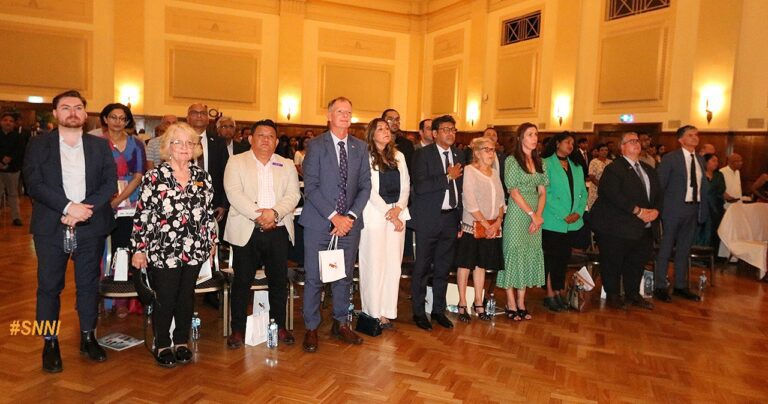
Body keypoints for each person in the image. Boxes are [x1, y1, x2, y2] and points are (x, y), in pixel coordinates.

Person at [24, 90, 117, 373]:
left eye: (78, 107)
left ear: (85, 112)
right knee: (49, 287)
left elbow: (109, 183)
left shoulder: (100, 146)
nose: (72, 112)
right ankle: (49, 342)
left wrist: (83, 209)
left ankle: (88, 336)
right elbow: (34, 183)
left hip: (90, 225)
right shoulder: (39, 145)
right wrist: (67, 207)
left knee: (89, 285)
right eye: (66, 108)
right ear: (55, 113)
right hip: (51, 226)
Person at [130, 122, 217, 368]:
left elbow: (208, 213)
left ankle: (181, 341)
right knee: (165, 297)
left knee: (185, 297)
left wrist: (211, 242)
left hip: (195, 247)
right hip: (163, 248)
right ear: (168, 146)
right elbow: (142, 215)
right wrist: (139, 248)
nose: (184, 147)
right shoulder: (154, 176)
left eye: (190, 142)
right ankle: (162, 342)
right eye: (178, 142)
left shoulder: (202, 177)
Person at [298, 97, 371, 353]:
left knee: (344, 276)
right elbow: (312, 186)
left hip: (349, 225)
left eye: (349, 112)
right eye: (340, 111)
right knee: (315, 277)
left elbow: (365, 186)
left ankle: (341, 323)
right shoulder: (316, 146)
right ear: (329, 116)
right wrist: (334, 217)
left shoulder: (360, 148)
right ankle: (311, 327)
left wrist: (349, 217)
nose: (345, 116)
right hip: (319, 223)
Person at [224, 119, 301, 349]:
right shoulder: (236, 162)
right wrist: (260, 216)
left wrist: (274, 214)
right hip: (247, 229)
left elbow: (293, 195)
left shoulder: (286, 164)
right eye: (261, 135)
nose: (266, 140)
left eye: (270, 136)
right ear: (250, 139)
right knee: (242, 282)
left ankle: (279, 325)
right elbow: (234, 193)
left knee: (278, 281)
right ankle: (237, 329)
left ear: (277, 142)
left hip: (277, 231)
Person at [590, 132, 661, 310]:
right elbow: (612, 194)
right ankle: (613, 294)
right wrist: (638, 211)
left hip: (642, 227)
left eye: (637, 141)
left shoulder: (648, 169)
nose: (636, 143)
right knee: (613, 262)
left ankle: (633, 294)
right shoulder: (614, 168)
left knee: (637, 262)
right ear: (622, 147)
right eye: (631, 141)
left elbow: (658, 194)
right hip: (616, 226)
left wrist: (655, 211)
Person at [410, 115, 463, 330]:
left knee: (443, 268)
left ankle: (438, 310)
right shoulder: (422, 155)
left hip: (450, 218)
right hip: (428, 219)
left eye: (453, 129)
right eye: (445, 129)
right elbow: (420, 187)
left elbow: (461, 190)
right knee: (422, 267)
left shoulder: (459, 154)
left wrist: (459, 220)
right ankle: (419, 312)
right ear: (434, 133)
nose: (450, 133)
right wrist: (447, 176)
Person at [358, 118, 410, 329]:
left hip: (398, 215)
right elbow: (368, 189)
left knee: (393, 266)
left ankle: (387, 311)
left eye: (387, 128)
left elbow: (406, 185)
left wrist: (398, 209)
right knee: (374, 264)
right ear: (371, 134)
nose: (385, 131)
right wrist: (390, 213)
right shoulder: (366, 157)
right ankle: (372, 312)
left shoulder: (399, 156)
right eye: (380, 129)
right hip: (375, 216)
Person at [99, 103, 146, 318]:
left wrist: (118, 200)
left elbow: (138, 176)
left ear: (127, 122)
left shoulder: (136, 144)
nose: (118, 122)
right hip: (100, 200)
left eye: (122, 118)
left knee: (124, 249)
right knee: (99, 250)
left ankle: (122, 301)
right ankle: (99, 298)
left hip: (130, 201)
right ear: (105, 119)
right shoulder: (96, 143)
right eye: (113, 117)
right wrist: (106, 199)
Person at [497, 123, 547, 321]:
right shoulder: (512, 160)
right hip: (519, 213)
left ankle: (521, 302)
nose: (534, 138)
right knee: (514, 254)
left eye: (536, 134)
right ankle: (510, 302)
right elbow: (513, 191)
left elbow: (542, 191)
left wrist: (539, 214)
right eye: (530, 134)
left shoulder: (539, 161)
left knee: (528, 255)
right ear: (520, 138)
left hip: (536, 214)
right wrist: (531, 214)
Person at [653, 125, 709, 303]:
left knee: (684, 250)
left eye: (696, 135)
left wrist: (702, 210)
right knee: (666, 248)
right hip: (672, 210)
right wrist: (658, 210)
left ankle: (680, 285)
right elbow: (659, 185)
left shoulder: (700, 160)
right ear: (680, 139)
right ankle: (660, 285)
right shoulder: (671, 158)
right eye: (690, 135)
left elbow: (702, 187)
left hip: (693, 209)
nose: (695, 138)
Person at [454, 136, 505, 322]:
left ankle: (478, 302)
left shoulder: (494, 173)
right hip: (472, 227)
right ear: (476, 152)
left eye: (493, 149)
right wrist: (486, 224)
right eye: (487, 149)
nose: (491, 153)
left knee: (481, 265)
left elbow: (501, 200)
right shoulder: (469, 171)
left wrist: (498, 221)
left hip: (491, 227)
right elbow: (469, 201)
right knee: (466, 265)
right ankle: (462, 303)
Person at [540, 133, 587, 312]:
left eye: (572, 143)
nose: (570, 145)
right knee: (552, 258)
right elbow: (546, 192)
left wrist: (578, 212)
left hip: (572, 221)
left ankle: (559, 291)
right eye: (567, 142)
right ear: (557, 143)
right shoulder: (546, 163)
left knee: (562, 259)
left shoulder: (576, 165)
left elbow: (583, 192)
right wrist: (564, 213)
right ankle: (550, 293)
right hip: (553, 220)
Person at [0, 111, 25, 226]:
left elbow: (20, 152)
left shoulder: (19, 137)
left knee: (13, 194)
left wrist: (9, 159)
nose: (8, 123)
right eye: (5, 120)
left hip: (13, 169)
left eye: (10, 121)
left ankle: (16, 217)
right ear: (1, 122)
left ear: (14, 124)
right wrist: (1, 159)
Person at [696, 154, 725, 248]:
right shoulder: (699, 174)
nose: (716, 163)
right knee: (700, 230)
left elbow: (721, 189)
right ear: (706, 162)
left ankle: (710, 256)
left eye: (717, 161)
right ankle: (697, 254)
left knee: (713, 231)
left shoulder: (719, 175)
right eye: (713, 160)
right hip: (701, 206)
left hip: (715, 207)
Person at [587, 143, 610, 210]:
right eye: (602, 150)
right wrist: (602, 187)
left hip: (608, 190)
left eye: (606, 150)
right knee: (595, 210)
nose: (604, 152)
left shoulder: (610, 162)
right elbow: (592, 177)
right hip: (596, 189)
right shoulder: (593, 162)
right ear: (598, 152)